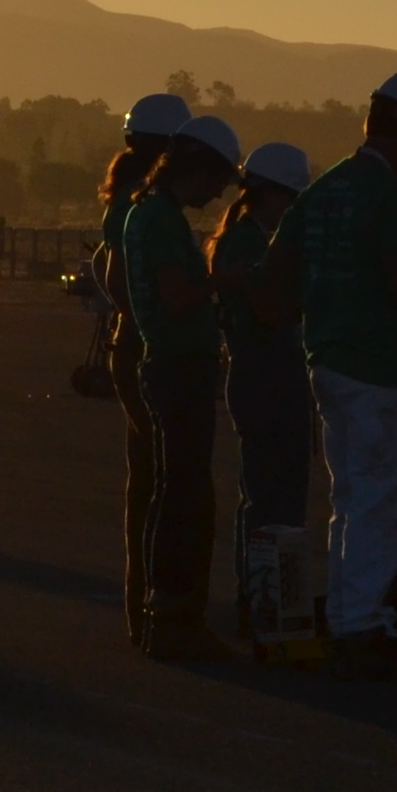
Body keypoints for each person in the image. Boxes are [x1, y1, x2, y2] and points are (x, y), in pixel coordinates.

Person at [269, 69, 397, 678]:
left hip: (327, 358)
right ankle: (363, 624)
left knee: (349, 498)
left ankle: (349, 612)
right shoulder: (395, 199)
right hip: (378, 366)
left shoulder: (319, 193)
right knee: (378, 500)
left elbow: (278, 275)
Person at [118, 114, 243, 659]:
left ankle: (158, 613)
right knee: (185, 496)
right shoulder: (164, 220)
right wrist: (223, 280)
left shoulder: (143, 213)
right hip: (177, 367)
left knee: (173, 491)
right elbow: (175, 297)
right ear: (193, 169)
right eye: (216, 179)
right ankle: (175, 617)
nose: (219, 192)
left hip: (165, 364)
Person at [217, 141, 318, 642]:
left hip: (264, 374)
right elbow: (269, 308)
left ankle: (266, 595)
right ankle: (262, 598)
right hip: (266, 376)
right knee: (271, 494)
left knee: (267, 492)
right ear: (274, 193)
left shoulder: (249, 238)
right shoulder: (249, 243)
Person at [95, 100, 183, 631]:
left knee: (144, 476)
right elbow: (122, 279)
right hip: (145, 344)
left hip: (129, 339)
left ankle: (139, 603)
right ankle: (154, 602)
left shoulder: (124, 199)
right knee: (160, 476)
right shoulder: (142, 206)